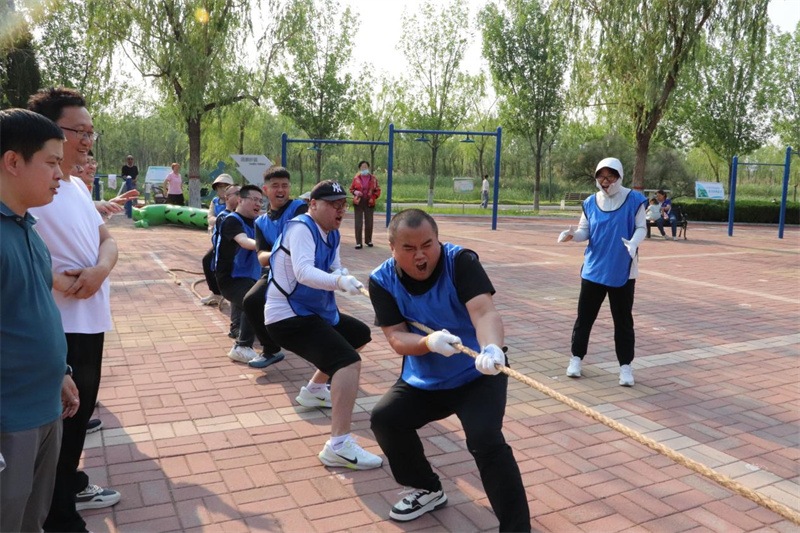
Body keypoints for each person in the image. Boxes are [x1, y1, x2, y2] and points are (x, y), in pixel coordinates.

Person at [368, 209, 530, 529]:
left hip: (478, 374)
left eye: (427, 245)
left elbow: (484, 312)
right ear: (392, 248)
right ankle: (427, 488)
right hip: (425, 379)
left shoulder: (461, 262)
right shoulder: (381, 280)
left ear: (438, 240)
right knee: (386, 418)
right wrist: (427, 343)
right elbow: (396, 337)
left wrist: (492, 348)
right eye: (409, 248)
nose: (420, 256)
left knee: (485, 440)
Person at [28, 87, 122, 532]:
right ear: (49, 131)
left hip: (90, 320)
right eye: (78, 131)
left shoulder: (77, 187)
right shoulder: (32, 190)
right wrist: (58, 281)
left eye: (90, 132)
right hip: (55, 326)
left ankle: (66, 491)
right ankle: (59, 516)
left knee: (77, 421)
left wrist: (100, 270)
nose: (86, 141)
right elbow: (19, 246)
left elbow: (108, 240)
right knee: (58, 428)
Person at [265, 180, 383, 470]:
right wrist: (339, 282)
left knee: (358, 334)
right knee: (347, 362)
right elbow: (304, 272)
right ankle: (338, 446)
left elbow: (333, 266)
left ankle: (314, 390)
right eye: (332, 204)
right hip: (287, 316)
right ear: (313, 205)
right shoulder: (301, 229)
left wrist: (343, 275)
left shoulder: (331, 232)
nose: (339, 210)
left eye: (342, 204)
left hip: (311, 312)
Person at [0, 108, 80, 533]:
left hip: (45, 409)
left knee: (32, 519)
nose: (60, 175)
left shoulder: (27, 228)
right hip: (9, 423)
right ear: (13, 161)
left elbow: (32, 311)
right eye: (51, 163)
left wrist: (60, 372)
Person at [557, 157, 647, 387]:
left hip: (623, 271)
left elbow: (641, 227)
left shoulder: (634, 200)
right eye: (601, 177)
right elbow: (584, 231)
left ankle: (625, 367)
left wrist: (634, 243)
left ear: (619, 176)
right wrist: (572, 236)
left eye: (611, 176)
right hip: (594, 270)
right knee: (584, 318)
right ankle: (576, 358)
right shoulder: (590, 202)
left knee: (623, 321)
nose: (606, 181)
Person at [243, 166, 307, 369]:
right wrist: (282, 254)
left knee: (320, 312)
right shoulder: (261, 222)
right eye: (275, 186)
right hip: (276, 272)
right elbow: (262, 257)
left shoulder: (299, 208)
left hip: (303, 270)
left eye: (285, 185)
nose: (281, 190)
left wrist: (278, 253)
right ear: (266, 190)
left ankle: (333, 358)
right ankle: (271, 349)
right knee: (251, 300)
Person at [215, 184, 282, 363]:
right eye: (254, 199)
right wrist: (275, 249)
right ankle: (242, 346)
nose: (258, 204)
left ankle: (246, 332)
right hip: (230, 279)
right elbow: (244, 241)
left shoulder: (258, 222)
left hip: (249, 277)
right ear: (240, 200)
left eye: (261, 201)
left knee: (255, 301)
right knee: (254, 301)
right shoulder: (231, 220)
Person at [200, 174, 235, 306]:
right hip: (219, 241)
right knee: (208, 261)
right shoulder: (215, 202)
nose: (222, 189)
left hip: (233, 240)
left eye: (225, 186)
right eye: (220, 187)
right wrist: (220, 220)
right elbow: (210, 218)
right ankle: (216, 293)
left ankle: (234, 296)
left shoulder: (236, 201)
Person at [349, 160, 380, 249]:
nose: (364, 168)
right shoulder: (356, 178)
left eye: (366, 167)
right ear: (359, 168)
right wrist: (355, 192)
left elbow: (377, 190)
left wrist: (373, 197)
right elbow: (351, 189)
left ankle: (368, 240)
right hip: (359, 201)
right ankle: (358, 242)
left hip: (369, 201)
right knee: (358, 222)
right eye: (362, 167)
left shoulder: (373, 179)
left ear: (368, 168)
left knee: (369, 221)